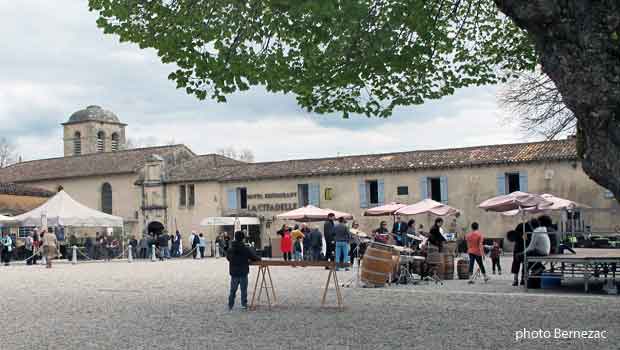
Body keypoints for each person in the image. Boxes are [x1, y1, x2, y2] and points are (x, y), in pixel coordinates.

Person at [226, 231, 261, 310]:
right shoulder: (245, 249)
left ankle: (230, 304)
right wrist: (259, 258)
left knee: (232, 290)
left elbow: (228, 258)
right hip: (243, 272)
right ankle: (243, 304)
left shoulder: (231, 248)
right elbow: (254, 257)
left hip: (234, 272)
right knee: (243, 290)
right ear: (243, 238)